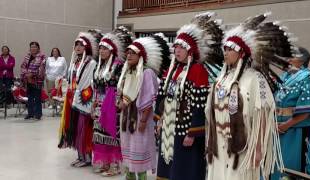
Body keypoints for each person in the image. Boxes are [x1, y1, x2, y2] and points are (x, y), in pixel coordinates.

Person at [206, 12, 288, 180]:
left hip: (242, 146)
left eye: (230, 49)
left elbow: (263, 115)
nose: (226, 52)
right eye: (225, 49)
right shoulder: (222, 78)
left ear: (242, 53)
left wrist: (258, 149)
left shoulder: (255, 78)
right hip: (219, 147)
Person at [155, 12, 224, 180]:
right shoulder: (173, 69)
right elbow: (164, 96)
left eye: (181, 48)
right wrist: (160, 119)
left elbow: (199, 105)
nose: (177, 51)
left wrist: (192, 133)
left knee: (185, 169)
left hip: (185, 130)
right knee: (169, 166)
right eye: (176, 47)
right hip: (169, 129)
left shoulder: (197, 70)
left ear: (190, 50)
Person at [117, 33, 170, 180]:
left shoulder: (147, 73)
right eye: (127, 53)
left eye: (132, 53)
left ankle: (141, 177)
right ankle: (130, 177)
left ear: (140, 55)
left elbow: (148, 100)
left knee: (139, 150)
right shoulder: (127, 71)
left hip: (139, 118)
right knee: (127, 148)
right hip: (127, 117)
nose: (128, 55)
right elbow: (123, 94)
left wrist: (143, 121)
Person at [271, 47, 310, 179]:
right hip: (278, 129)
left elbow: (308, 110)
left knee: (294, 167)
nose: (288, 58)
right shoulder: (284, 76)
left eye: (292, 55)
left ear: (301, 60)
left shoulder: (309, 78)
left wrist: (285, 125)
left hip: (298, 131)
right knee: (277, 168)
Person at [91, 27, 132, 176]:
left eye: (104, 48)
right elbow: (96, 86)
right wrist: (93, 104)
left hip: (112, 103)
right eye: (100, 48)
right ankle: (105, 162)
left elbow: (122, 85)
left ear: (112, 50)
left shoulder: (118, 66)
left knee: (111, 134)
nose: (101, 51)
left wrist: (117, 101)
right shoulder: (99, 65)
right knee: (99, 134)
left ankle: (114, 165)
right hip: (99, 103)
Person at [58, 32, 97, 167]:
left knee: (83, 128)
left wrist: (80, 95)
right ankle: (80, 156)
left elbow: (90, 82)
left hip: (84, 99)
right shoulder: (74, 61)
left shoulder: (91, 62)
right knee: (74, 127)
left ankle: (87, 157)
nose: (78, 47)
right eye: (76, 45)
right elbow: (71, 79)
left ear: (86, 47)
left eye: (81, 45)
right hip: (72, 98)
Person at [21, 42, 46, 120]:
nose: (33, 48)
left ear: (38, 48)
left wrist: (32, 74)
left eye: (35, 47)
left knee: (37, 98)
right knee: (30, 98)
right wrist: (27, 74)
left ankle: (38, 114)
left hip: (37, 80)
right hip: (27, 80)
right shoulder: (27, 56)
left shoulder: (42, 56)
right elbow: (22, 66)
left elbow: (42, 68)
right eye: (31, 47)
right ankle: (30, 113)